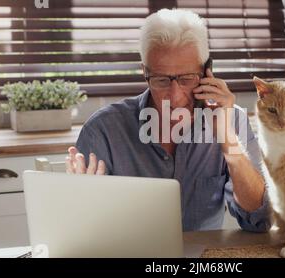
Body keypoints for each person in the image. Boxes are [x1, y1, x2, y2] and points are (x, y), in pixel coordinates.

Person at [65, 8, 270, 232]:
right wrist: (80, 201)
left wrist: (229, 141)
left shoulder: (232, 119)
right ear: (144, 73)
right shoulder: (103, 130)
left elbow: (259, 220)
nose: (174, 96)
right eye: (161, 80)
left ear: (207, 72)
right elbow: (79, 231)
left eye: (186, 79)